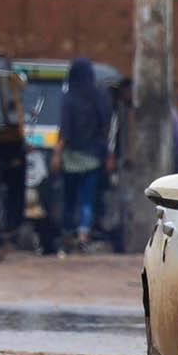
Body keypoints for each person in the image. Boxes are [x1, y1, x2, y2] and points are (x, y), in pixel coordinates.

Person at [56, 57, 112, 251]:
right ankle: (83, 234)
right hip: (93, 157)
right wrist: (107, 154)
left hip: (71, 157)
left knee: (69, 199)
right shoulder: (99, 96)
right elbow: (106, 126)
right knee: (87, 198)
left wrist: (57, 154)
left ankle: (66, 234)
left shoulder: (69, 98)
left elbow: (64, 130)